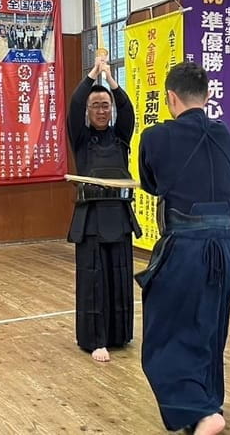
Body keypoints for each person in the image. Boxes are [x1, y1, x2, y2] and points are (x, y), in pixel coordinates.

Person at [136, 62, 230, 435]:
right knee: (210, 329)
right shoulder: (224, 132)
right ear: (207, 95)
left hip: (187, 247)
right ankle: (207, 405)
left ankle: (202, 411)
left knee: (166, 330)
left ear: (171, 97)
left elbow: (152, 183)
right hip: (227, 248)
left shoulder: (156, 136)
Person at [66, 54, 139, 363]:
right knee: (93, 277)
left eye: (105, 105)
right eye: (95, 105)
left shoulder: (121, 138)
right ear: (88, 110)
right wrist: (93, 73)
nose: (100, 110)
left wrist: (110, 79)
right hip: (91, 218)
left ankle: (119, 335)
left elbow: (128, 111)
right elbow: (73, 106)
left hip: (118, 216)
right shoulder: (81, 139)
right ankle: (95, 340)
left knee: (119, 274)